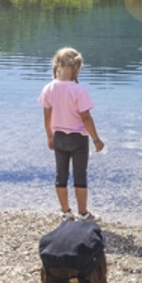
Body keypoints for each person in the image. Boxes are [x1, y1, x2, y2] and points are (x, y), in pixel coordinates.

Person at [39, 47, 105, 220]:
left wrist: (49, 136)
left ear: (57, 66)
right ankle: (83, 213)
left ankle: (66, 212)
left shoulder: (49, 88)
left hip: (59, 137)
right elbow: (86, 118)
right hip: (78, 139)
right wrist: (96, 139)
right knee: (80, 175)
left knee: (61, 175)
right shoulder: (78, 90)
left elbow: (47, 116)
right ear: (77, 67)